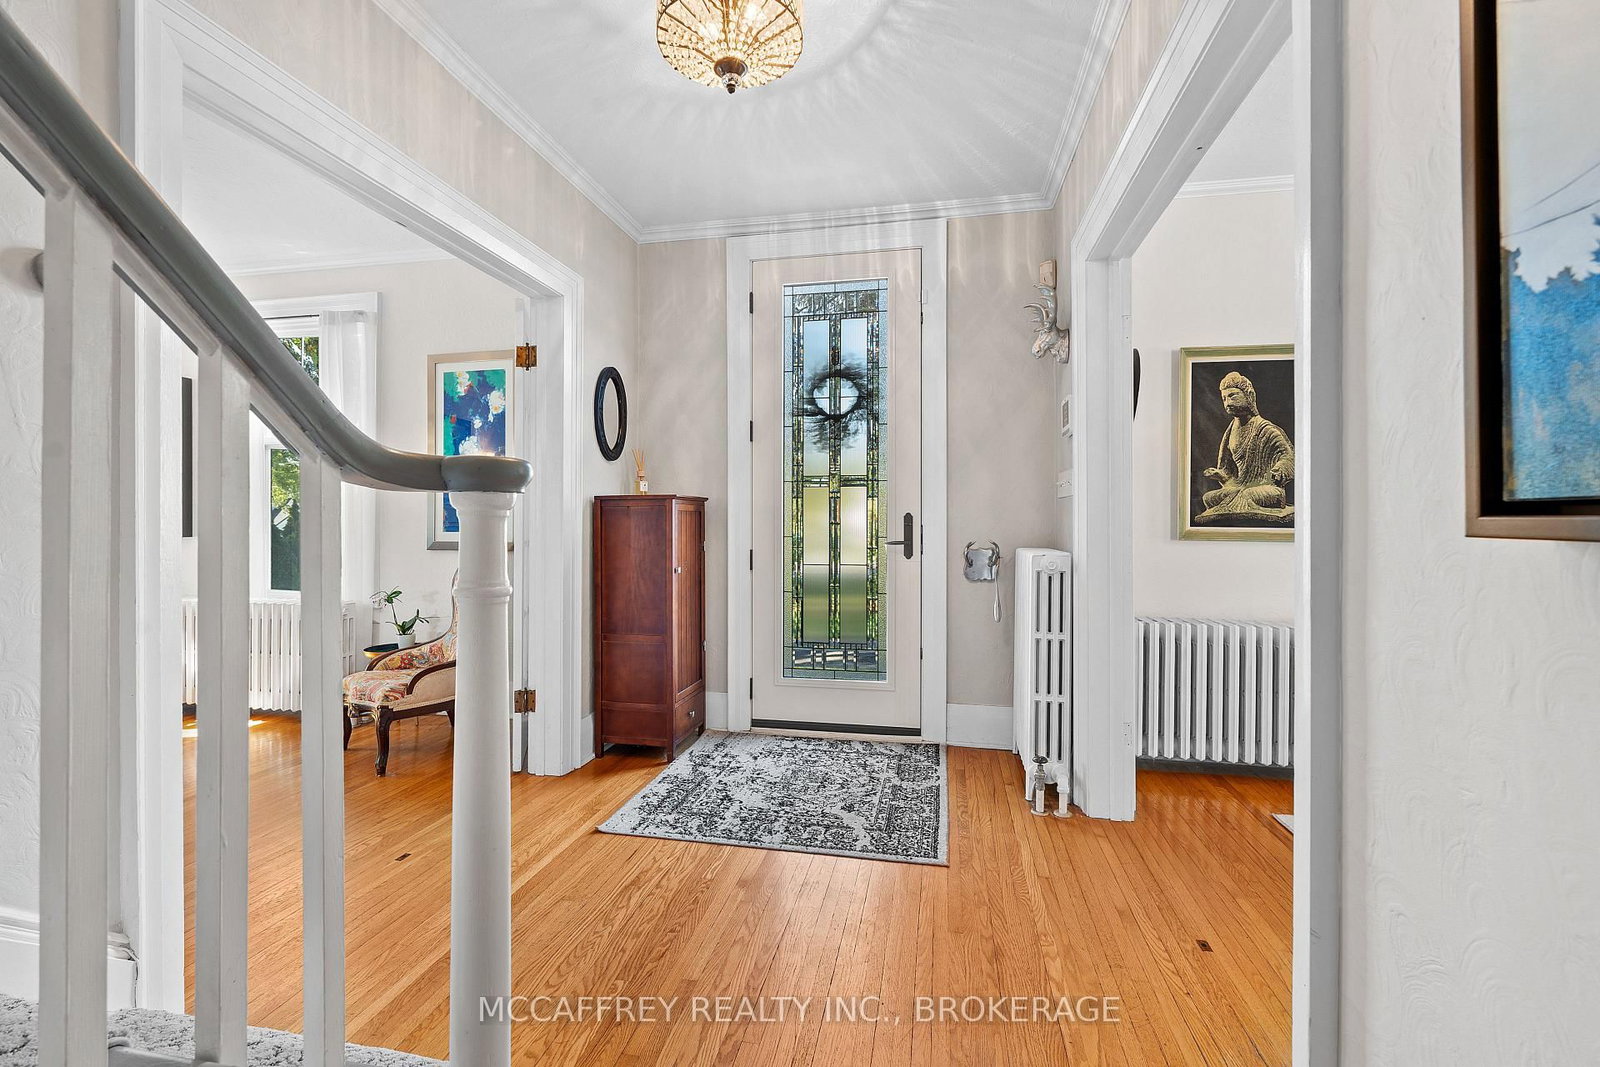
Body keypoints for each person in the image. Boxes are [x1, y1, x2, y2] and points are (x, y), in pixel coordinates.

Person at [1197, 370, 1295, 524]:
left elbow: (1288, 456)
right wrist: (1220, 474)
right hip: (1239, 486)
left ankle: (1237, 509)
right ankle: (1235, 507)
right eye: (1224, 398)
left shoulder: (1266, 429)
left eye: (1232, 396)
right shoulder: (1231, 431)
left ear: (1248, 395)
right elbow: (1228, 471)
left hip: (1265, 488)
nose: (1227, 402)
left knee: (1249, 495)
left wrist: (1279, 470)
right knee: (1209, 497)